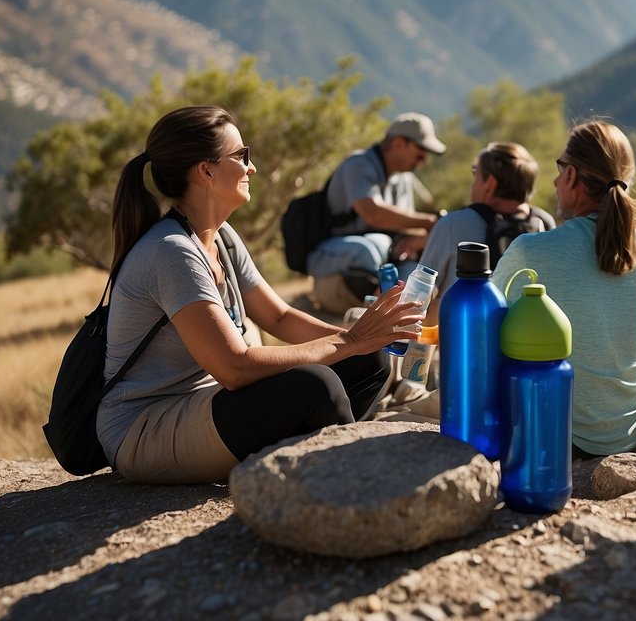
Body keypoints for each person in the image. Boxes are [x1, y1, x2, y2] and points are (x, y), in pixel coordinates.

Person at [98, 106, 421, 485]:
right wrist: (349, 339)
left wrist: (367, 337)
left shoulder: (221, 237)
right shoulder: (172, 251)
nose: (251, 168)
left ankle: (321, 471)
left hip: (206, 403)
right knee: (314, 387)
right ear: (206, 171)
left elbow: (279, 317)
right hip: (146, 427)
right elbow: (234, 368)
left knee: (370, 362)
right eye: (241, 156)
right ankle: (357, 487)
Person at [491, 120, 636, 459]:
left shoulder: (530, 251)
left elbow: (482, 341)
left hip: (554, 437)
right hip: (632, 433)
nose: (556, 181)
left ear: (572, 175)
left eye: (560, 170)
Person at [306, 112, 447, 313]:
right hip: (339, 257)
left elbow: (404, 226)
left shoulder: (403, 178)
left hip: (381, 258)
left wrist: (416, 241)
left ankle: (392, 311)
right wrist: (429, 222)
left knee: (419, 275)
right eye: (420, 152)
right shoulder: (358, 164)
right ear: (399, 143)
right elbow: (372, 213)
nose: (423, 160)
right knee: (375, 248)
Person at [421, 141, 555, 323]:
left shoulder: (453, 223)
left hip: (466, 339)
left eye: (476, 173)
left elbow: (421, 295)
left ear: (489, 184)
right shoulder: (544, 222)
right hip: (528, 338)